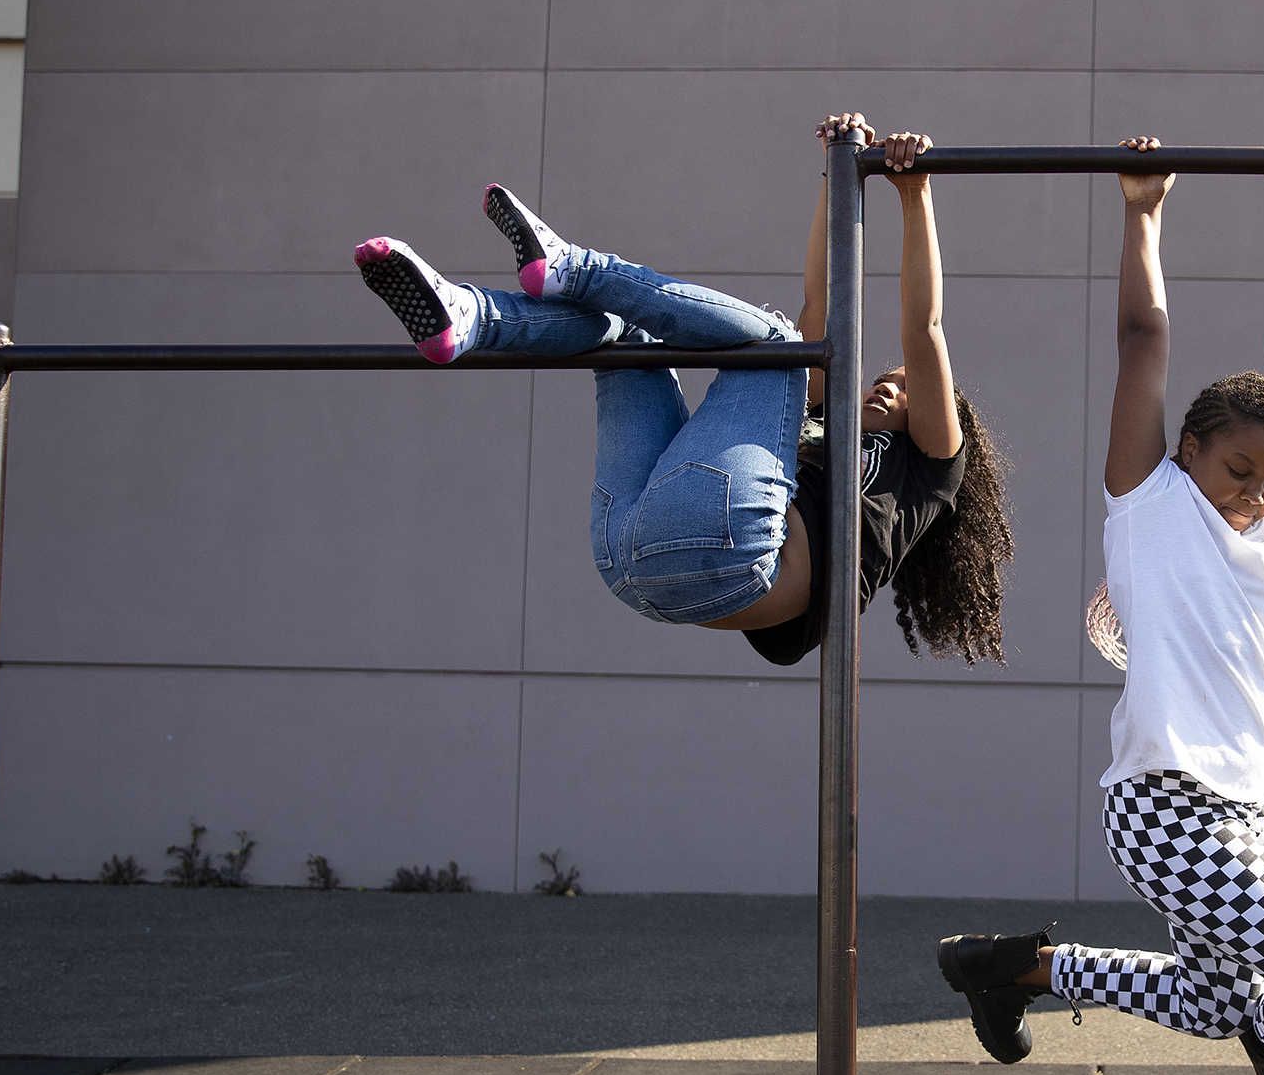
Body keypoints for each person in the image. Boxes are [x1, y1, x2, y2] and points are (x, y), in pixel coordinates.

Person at [934, 136, 1264, 1075]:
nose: (1257, 493)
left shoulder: (1262, 530)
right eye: (1239, 471)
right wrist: (1143, 209)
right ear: (1187, 450)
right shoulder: (1147, 501)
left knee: (1207, 999)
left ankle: (1016, 968)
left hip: (1242, 814)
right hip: (1166, 808)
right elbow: (1142, 335)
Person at [351, 114, 1011, 666]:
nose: (884, 388)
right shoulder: (813, 413)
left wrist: (913, 191)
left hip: (733, 556)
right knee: (624, 339)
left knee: (779, 343)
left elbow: (923, 331)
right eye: (881, 380)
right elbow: (823, 297)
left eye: (903, 391)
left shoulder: (927, 470)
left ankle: (574, 267)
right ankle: (474, 317)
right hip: (629, 554)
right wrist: (832, 176)